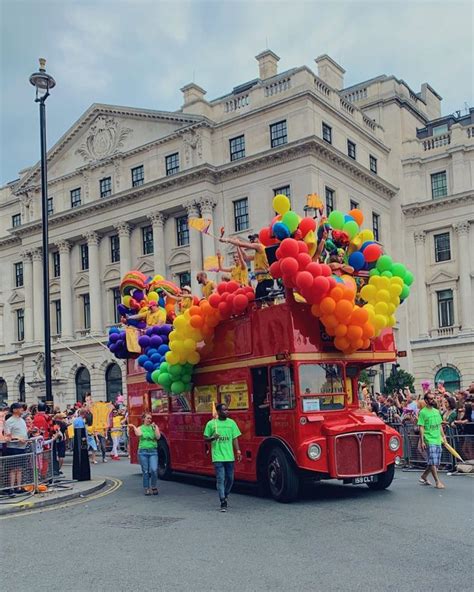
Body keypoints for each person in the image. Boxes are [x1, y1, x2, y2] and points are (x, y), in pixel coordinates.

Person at [203, 403, 242, 512]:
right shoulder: (211, 424)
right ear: (218, 412)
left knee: (230, 478)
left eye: (227, 409)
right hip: (218, 456)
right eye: (224, 410)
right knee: (221, 479)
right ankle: (222, 501)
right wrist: (212, 438)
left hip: (229, 456)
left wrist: (238, 451)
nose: (226, 411)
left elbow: (235, 438)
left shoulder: (232, 423)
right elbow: (205, 438)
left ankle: (225, 494)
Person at [221, 234, 273, 300]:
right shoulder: (257, 253)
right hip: (260, 282)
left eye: (253, 239)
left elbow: (244, 245)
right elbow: (246, 257)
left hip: (266, 280)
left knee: (269, 302)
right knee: (257, 302)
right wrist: (238, 246)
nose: (251, 241)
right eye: (250, 240)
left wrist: (227, 240)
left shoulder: (260, 247)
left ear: (258, 239)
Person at [418, 392, 447, 489]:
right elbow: (421, 427)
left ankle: (424, 476)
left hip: (437, 439)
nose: (433, 400)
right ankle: (437, 482)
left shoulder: (436, 411)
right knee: (433, 461)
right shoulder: (422, 412)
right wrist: (422, 441)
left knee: (435, 461)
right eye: (430, 399)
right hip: (429, 439)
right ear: (426, 401)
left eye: (433, 398)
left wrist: (443, 436)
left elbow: (439, 425)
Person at [129, 413, 161, 495]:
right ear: (143, 419)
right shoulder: (140, 428)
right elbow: (139, 434)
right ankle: (146, 488)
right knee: (145, 471)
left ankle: (153, 486)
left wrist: (154, 429)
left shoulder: (154, 427)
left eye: (150, 418)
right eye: (148, 418)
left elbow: (158, 437)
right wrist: (134, 427)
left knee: (154, 470)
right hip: (143, 451)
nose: (149, 420)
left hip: (153, 451)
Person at [3, 403, 29, 496]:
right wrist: (18, 438)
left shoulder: (21, 420)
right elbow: (7, 435)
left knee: (19, 468)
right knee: (13, 468)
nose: (22, 410)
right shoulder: (9, 421)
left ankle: (18, 487)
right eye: (20, 408)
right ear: (14, 410)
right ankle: (11, 488)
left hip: (22, 447)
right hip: (13, 447)